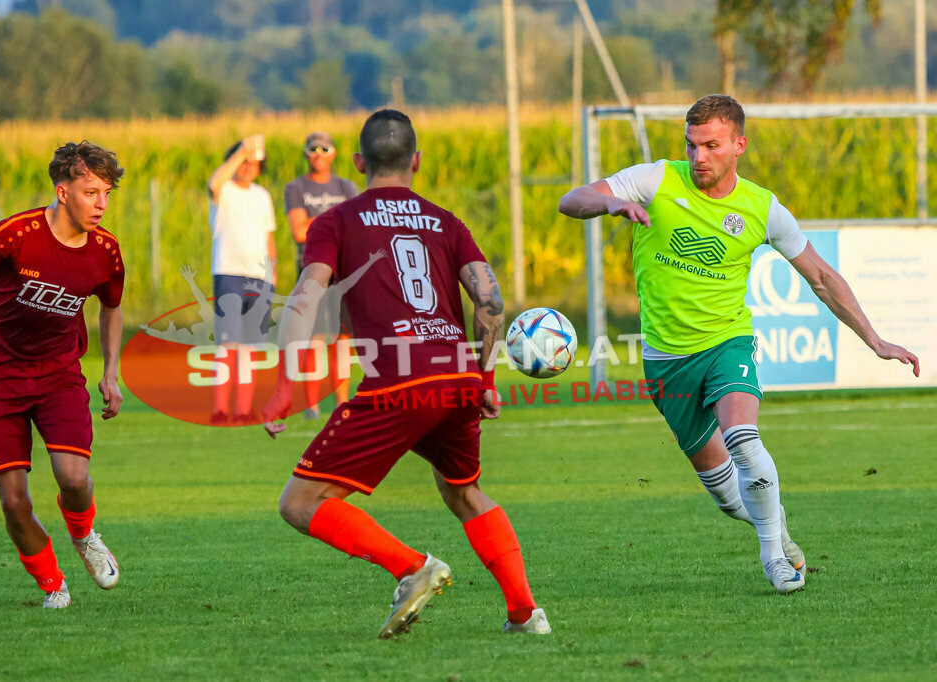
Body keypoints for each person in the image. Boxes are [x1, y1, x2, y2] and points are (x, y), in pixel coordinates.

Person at [559, 94, 920, 594]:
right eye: (691, 145)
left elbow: (820, 277)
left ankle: (774, 558)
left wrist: (874, 339)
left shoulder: (762, 207)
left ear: (738, 145)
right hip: (666, 360)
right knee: (730, 500)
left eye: (711, 145)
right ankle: (775, 527)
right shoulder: (654, 180)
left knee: (742, 438)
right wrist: (611, 202)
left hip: (728, 342)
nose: (698, 156)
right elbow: (570, 200)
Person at [262, 109, 550, 638]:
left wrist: (286, 384)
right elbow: (490, 302)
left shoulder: (338, 221)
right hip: (455, 374)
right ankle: (526, 614)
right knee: (464, 492)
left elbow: (306, 296)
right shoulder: (446, 221)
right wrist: (483, 379)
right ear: (415, 160)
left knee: (301, 502)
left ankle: (412, 567)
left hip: (397, 380)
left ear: (356, 162)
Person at [0, 141, 127, 608]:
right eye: (90, 192)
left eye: (106, 193)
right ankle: (52, 585)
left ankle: (85, 538)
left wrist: (111, 372)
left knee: (75, 478)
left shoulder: (106, 251)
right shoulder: (14, 235)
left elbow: (112, 307)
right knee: (14, 501)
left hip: (59, 376)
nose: (100, 204)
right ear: (63, 192)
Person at [284, 131, 359, 418]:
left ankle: (341, 403)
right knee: (314, 338)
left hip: (343, 271)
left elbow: (356, 227)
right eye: (313, 148)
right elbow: (298, 230)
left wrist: (318, 221)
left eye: (324, 148)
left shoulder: (346, 186)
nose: (318, 154)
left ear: (334, 153)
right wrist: (335, 219)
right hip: (311, 268)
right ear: (306, 153)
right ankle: (312, 404)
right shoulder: (296, 187)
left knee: (342, 338)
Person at [207, 134, 278, 424]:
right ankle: (221, 409)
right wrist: (241, 150)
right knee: (228, 345)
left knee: (250, 348)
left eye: (254, 162)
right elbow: (213, 182)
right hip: (229, 274)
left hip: (259, 278)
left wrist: (272, 276)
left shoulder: (262, 196)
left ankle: (244, 409)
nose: (249, 166)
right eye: (243, 161)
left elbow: (269, 236)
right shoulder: (223, 191)